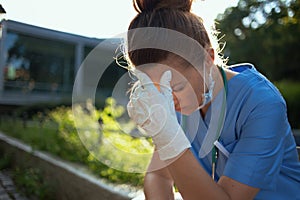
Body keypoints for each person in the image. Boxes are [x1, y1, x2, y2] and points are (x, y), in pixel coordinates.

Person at [125, 0, 300, 199]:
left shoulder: (262, 103)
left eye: (178, 87)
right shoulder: (175, 104)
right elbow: (158, 177)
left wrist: (170, 141)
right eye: (160, 93)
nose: (170, 102)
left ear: (208, 58)